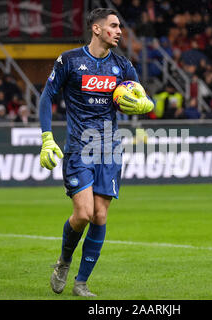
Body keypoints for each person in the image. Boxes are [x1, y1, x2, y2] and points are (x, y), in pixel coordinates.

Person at [38, 8, 153, 297]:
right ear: (97, 29)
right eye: (113, 26)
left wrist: (143, 106)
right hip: (79, 147)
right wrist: (46, 138)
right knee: (83, 214)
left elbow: (141, 98)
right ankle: (64, 261)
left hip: (110, 149)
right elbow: (47, 96)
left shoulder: (123, 66)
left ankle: (81, 283)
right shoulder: (70, 60)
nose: (119, 31)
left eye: (120, 27)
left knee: (100, 216)